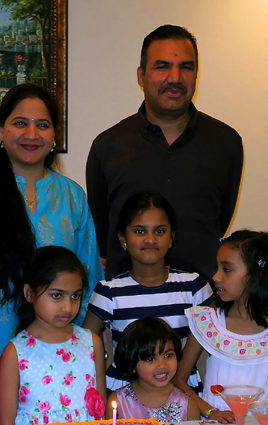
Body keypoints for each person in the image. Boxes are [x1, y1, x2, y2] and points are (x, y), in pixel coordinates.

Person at [87, 24, 244, 280]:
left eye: (186, 66)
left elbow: (220, 220)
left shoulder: (226, 144)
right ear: (141, 76)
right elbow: (103, 232)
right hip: (128, 307)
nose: (175, 77)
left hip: (199, 305)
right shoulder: (108, 146)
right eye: (162, 66)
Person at [0, 83, 103, 349]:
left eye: (42, 125)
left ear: (54, 135)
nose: (31, 134)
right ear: (0, 128)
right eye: (20, 123)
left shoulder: (72, 196)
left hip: (59, 354)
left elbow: (90, 280)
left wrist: (81, 348)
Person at [83, 192, 211, 390]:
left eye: (159, 231)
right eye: (140, 231)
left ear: (171, 238)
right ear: (122, 238)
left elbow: (197, 348)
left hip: (179, 392)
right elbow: (83, 347)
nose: (150, 239)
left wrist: (175, 387)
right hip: (124, 398)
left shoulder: (195, 288)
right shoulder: (108, 292)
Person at [175, 230, 268, 417]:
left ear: (256, 275)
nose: (216, 276)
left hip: (262, 424)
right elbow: (179, 379)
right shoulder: (207, 322)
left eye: (227, 269)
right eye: (217, 267)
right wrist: (210, 411)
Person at [0, 246, 107, 425]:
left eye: (75, 296)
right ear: (29, 293)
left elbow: (101, 411)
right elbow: (7, 424)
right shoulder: (16, 352)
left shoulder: (91, 343)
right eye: (57, 295)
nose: (67, 306)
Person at [112, 317, 201, 423]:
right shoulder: (118, 402)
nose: (162, 365)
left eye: (168, 355)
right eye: (150, 359)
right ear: (132, 364)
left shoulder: (188, 405)